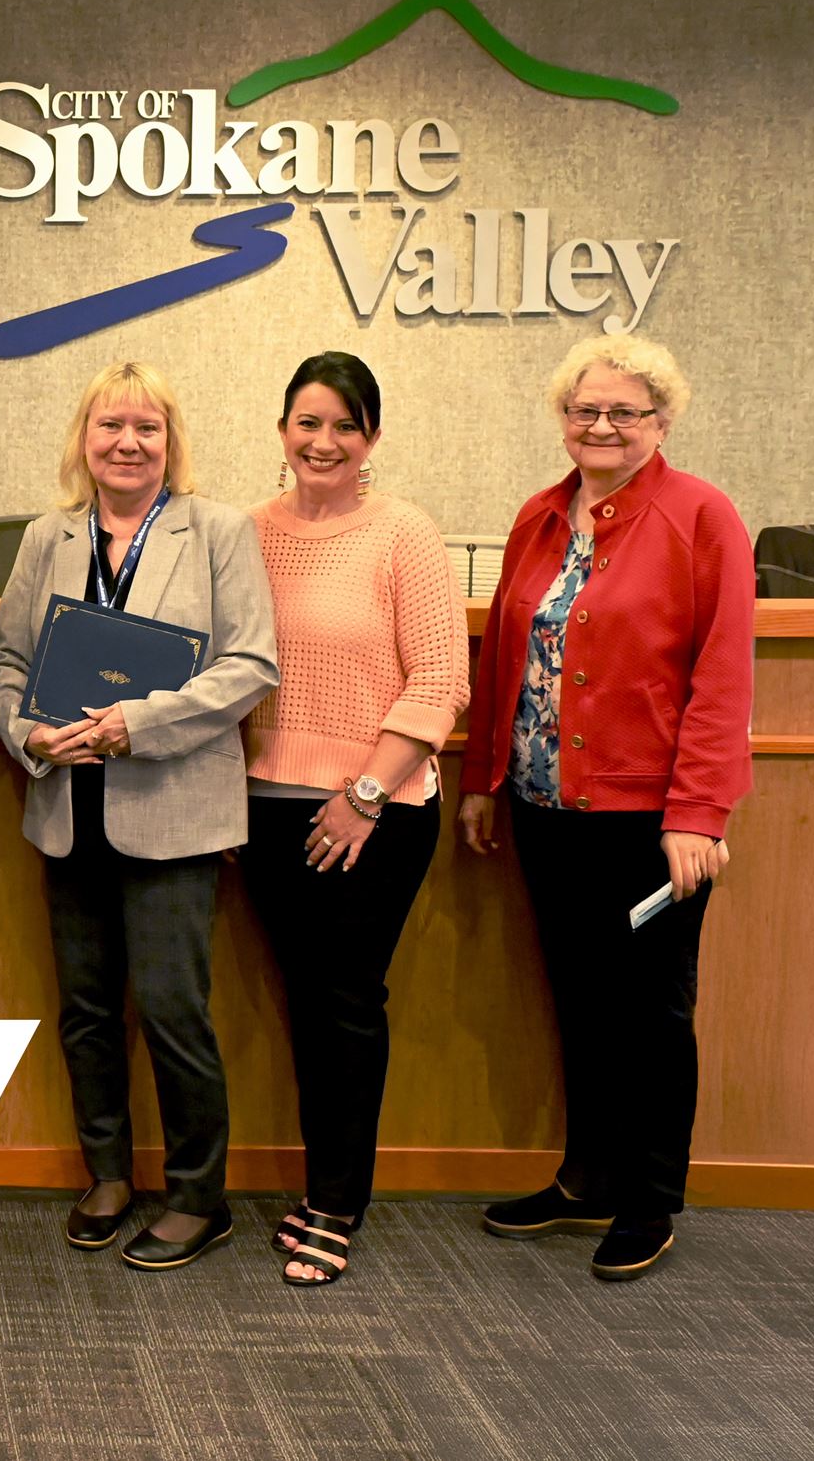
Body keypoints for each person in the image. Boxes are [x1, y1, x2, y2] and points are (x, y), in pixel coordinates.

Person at [459, 332, 754, 1282]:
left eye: (625, 412)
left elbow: (722, 678)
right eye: (585, 410)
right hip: (548, 805)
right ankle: (586, 1178)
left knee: (652, 1014)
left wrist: (698, 813)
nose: (602, 426)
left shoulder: (702, 517)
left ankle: (651, 1196)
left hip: (651, 819)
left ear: (662, 421)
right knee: (580, 1000)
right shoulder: (541, 517)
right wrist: (482, 779)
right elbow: (507, 654)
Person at [0, 360, 278, 1272]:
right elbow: (5, 662)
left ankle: (198, 1194)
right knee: (85, 1010)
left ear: (169, 442)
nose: (127, 443)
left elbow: (249, 665)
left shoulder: (218, 531)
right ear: (84, 440)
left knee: (172, 1007)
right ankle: (107, 1174)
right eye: (110, 426)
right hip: (70, 809)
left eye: (146, 428)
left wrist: (135, 724)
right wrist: (31, 734)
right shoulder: (48, 536)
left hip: (172, 807)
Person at [238, 352, 469, 1285]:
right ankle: (322, 1182)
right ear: (282, 430)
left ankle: (337, 1203)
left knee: (344, 1000)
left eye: (344, 424)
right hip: (262, 804)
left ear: (370, 437)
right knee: (305, 999)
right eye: (307, 422)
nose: (322, 442)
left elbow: (441, 679)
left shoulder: (404, 534)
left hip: (376, 808)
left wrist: (365, 792)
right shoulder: (245, 530)